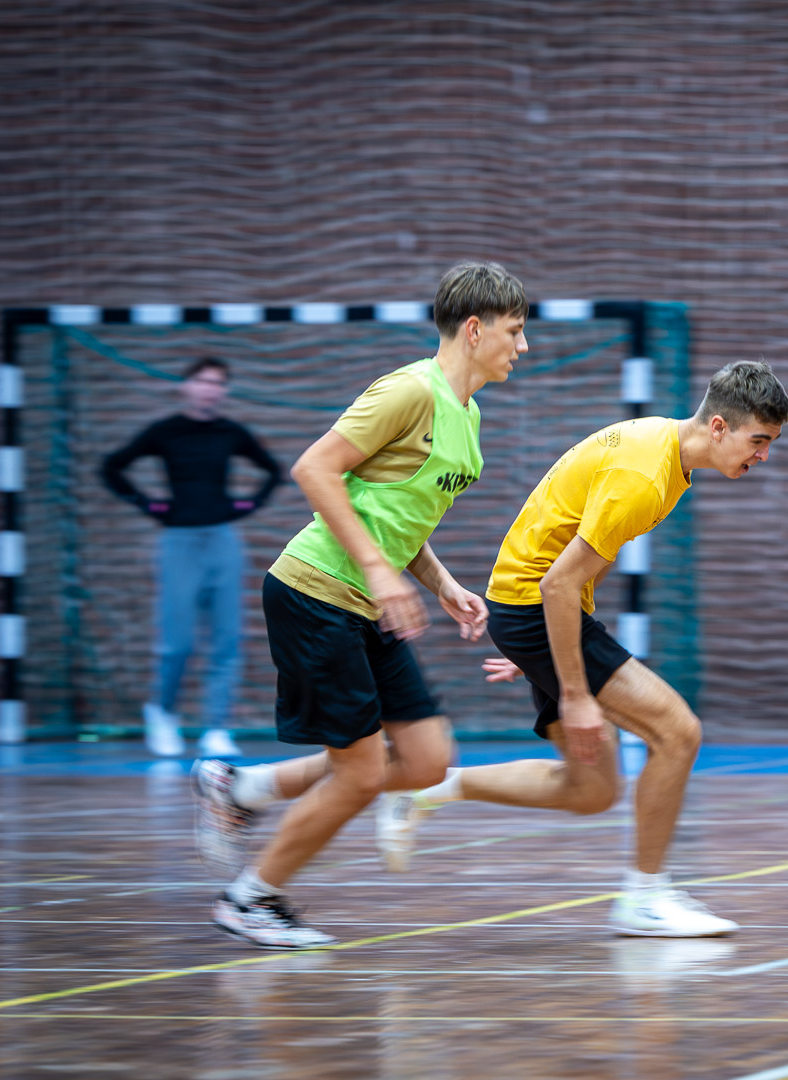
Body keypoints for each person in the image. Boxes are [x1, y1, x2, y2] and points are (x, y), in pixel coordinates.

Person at [376, 360, 788, 937]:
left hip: (531, 613)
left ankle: (432, 788)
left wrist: (538, 652)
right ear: (719, 426)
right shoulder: (644, 478)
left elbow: (575, 565)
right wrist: (571, 690)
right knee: (678, 732)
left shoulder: (662, 448)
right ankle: (644, 899)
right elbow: (557, 584)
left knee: (590, 790)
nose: (764, 455)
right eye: (759, 440)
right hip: (535, 605)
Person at [191, 261, 528, 948]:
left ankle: (241, 790)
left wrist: (441, 584)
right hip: (315, 593)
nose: (522, 346)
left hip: (367, 602)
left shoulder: (467, 413)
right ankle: (250, 899)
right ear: (474, 330)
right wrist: (378, 571)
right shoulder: (408, 391)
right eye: (514, 331)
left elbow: (395, 514)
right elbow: (314, 469)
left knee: (426, 759)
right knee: (363, 770)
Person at [102, 358, 284, 759]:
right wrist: (147, 504)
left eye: (217, 383)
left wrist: (247, 505)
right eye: (202, 381)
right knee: (177, 642)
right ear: (186, 386)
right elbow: (112, 467)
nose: (209, 389)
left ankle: (217, 728)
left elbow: (273, 471)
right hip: (179, 542)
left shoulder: (230, 433)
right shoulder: (165, 432)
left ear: (224, 391)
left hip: (222, 541)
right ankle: (162, 712)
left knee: (226, 638)